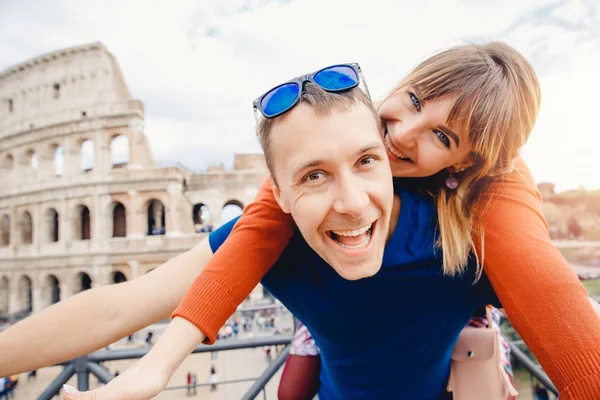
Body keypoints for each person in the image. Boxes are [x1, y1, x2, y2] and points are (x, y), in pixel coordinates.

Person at [0, 43, 598, 397]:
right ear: (280, 192)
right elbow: (117, 307)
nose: (400, 138)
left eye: (442, 136)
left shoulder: (466, 232)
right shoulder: (275, 231)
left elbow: (562, 309)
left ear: (465, 167)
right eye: (313, 175)